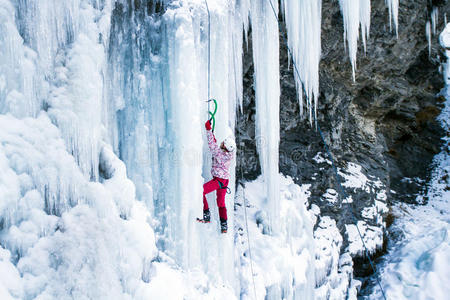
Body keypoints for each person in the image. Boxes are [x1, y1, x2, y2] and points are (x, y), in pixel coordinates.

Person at [198, 119, 236, 233]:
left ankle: (206, 215)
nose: (222, 143)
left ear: (224, 147)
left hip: (219, 181)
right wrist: (212, 135)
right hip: (224, 181)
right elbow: (216, 147)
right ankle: (224, 226)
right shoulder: (229, 154)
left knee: (201, 191)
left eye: (223, 143)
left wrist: (208, 129)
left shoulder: (220, 153)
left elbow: (212, 146)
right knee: (221, 203)